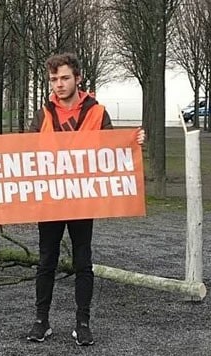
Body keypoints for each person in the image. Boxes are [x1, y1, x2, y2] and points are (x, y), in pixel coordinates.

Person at [26, 53, 145, 346]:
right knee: (46, 261)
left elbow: (111, 150)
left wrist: (133, 142)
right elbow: (26, 151)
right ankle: (42, 321)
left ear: (78, 78)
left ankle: (83, 322)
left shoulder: (97, 112)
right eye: (53, 79)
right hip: (51, 200)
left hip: (83, 199)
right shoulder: (42, 114)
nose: (59, 84)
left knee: (83, 261)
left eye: (64, 78)